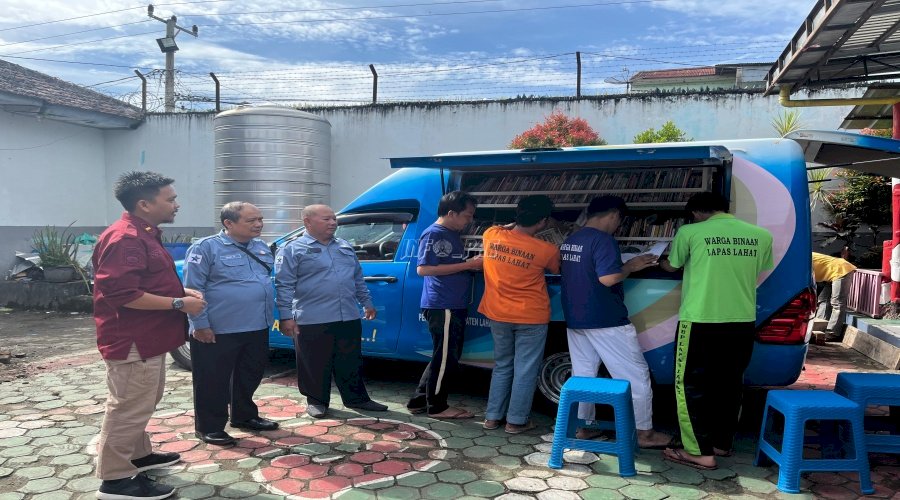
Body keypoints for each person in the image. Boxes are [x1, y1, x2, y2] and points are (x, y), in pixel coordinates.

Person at [92, 171, 206, 500]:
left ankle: (138, 456)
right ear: (144, 204)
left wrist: (180, 291)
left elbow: (144, 282)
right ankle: (115, 481)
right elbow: (123, 294)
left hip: (147, 339)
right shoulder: (126, 237)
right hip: (132, 341)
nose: (176, 204)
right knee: (128, 408)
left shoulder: (143, 233)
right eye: (169, 199)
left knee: (142, 403)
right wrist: (178, 303)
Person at [658, 192, 773, 471]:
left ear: (696, 213)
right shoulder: (761, 236)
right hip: (741, 321)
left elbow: (671, 265)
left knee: (690, 387)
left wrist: (659, 260)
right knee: (729, 384)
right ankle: (722, 443)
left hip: (699, 320)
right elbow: (759, 271)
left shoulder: (690, 232)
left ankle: (699, 452)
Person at [559, 196, 672, 448]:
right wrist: (631, 265)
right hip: (606, 319)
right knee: (635, 375)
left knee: (584, 374)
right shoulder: (604, 240)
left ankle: (583, 428)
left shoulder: (572, 239)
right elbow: (609, 279)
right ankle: (645, 433)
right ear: (614, 216)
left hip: (576, 318)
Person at [275, 204, 388, 419]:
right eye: (326, 219)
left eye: (334, 219)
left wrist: (366, 303)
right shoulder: (292, 249)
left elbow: (357, 278)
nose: (333, 223)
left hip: (347, 314)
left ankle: (357, 399)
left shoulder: (344, 246)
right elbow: (284, 285)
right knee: (314, 362)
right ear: (307, 222)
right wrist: (286, 316)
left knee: (350, 360)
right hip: (312, 317)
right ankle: (316, 401)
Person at [182, 202, 279, 446]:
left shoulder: (260, 247)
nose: (258, 224)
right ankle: (209, 427)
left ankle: (244, 416)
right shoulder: (206, 248)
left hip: (257, 324)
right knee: (212, 380)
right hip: (218, 328)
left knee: (250, 374)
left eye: (260, 219)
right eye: (251, 221)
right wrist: (200, 324)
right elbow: (193, 290)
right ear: (229, 223)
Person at [479, 195, 561, 434]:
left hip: (497, 313)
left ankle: (492, 417)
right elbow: (555, 270)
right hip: (531, 316)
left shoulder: (491, 235)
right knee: (525, 368)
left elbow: (501, 228)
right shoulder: (547, 249)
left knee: (502, 365)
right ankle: (516, 421)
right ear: (543, 221)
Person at [406, 191, 483, 419]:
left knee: (442, 355)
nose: (470, 220)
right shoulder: (435, 234)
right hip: (444, 305)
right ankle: (438, 407)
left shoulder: (449, 233)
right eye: (467, 215)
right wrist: (467, 265)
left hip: (451, 303)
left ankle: (420, 401)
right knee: (446, 357)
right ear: (451, 213)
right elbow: (424, 269)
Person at [812, 251, 857, 342]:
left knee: (837, 302)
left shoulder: (801, 260)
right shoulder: (801, 256)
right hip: (831, 273)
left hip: (841, 270)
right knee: (823, 300)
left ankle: (832, 333)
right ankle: (819, 329)